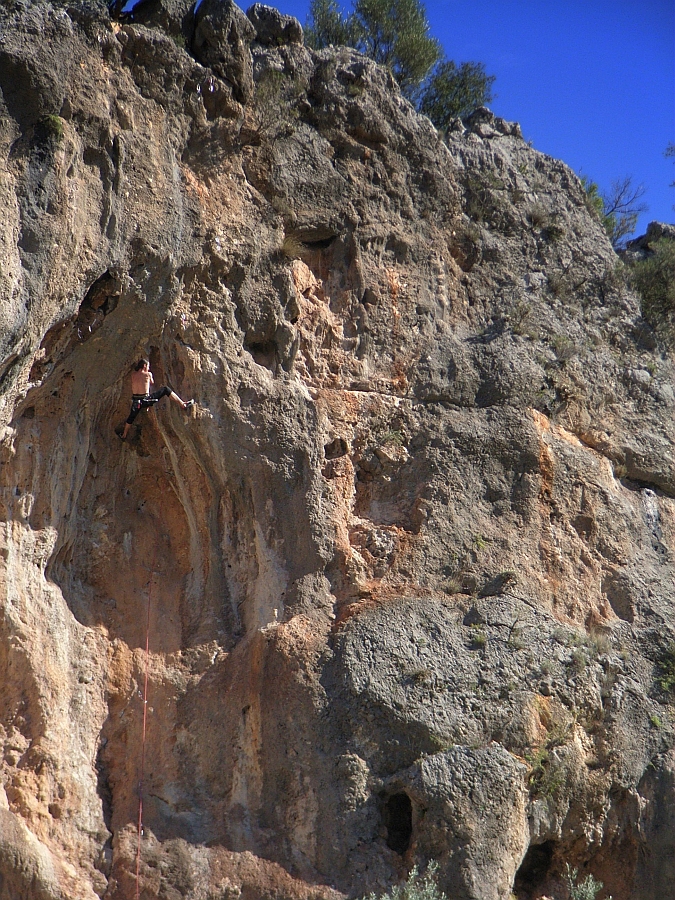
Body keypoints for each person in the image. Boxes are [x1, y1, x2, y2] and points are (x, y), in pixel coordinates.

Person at [118, 358, 193, 440]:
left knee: (131, 417)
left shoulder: (133, 375)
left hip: (136, 402)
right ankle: (183, 404)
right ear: (144, 366)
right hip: (146, 400)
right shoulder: (148, 374)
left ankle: (124, 435)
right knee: (166, 389)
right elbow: (152, 383)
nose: (149, 368)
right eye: (148, 366)